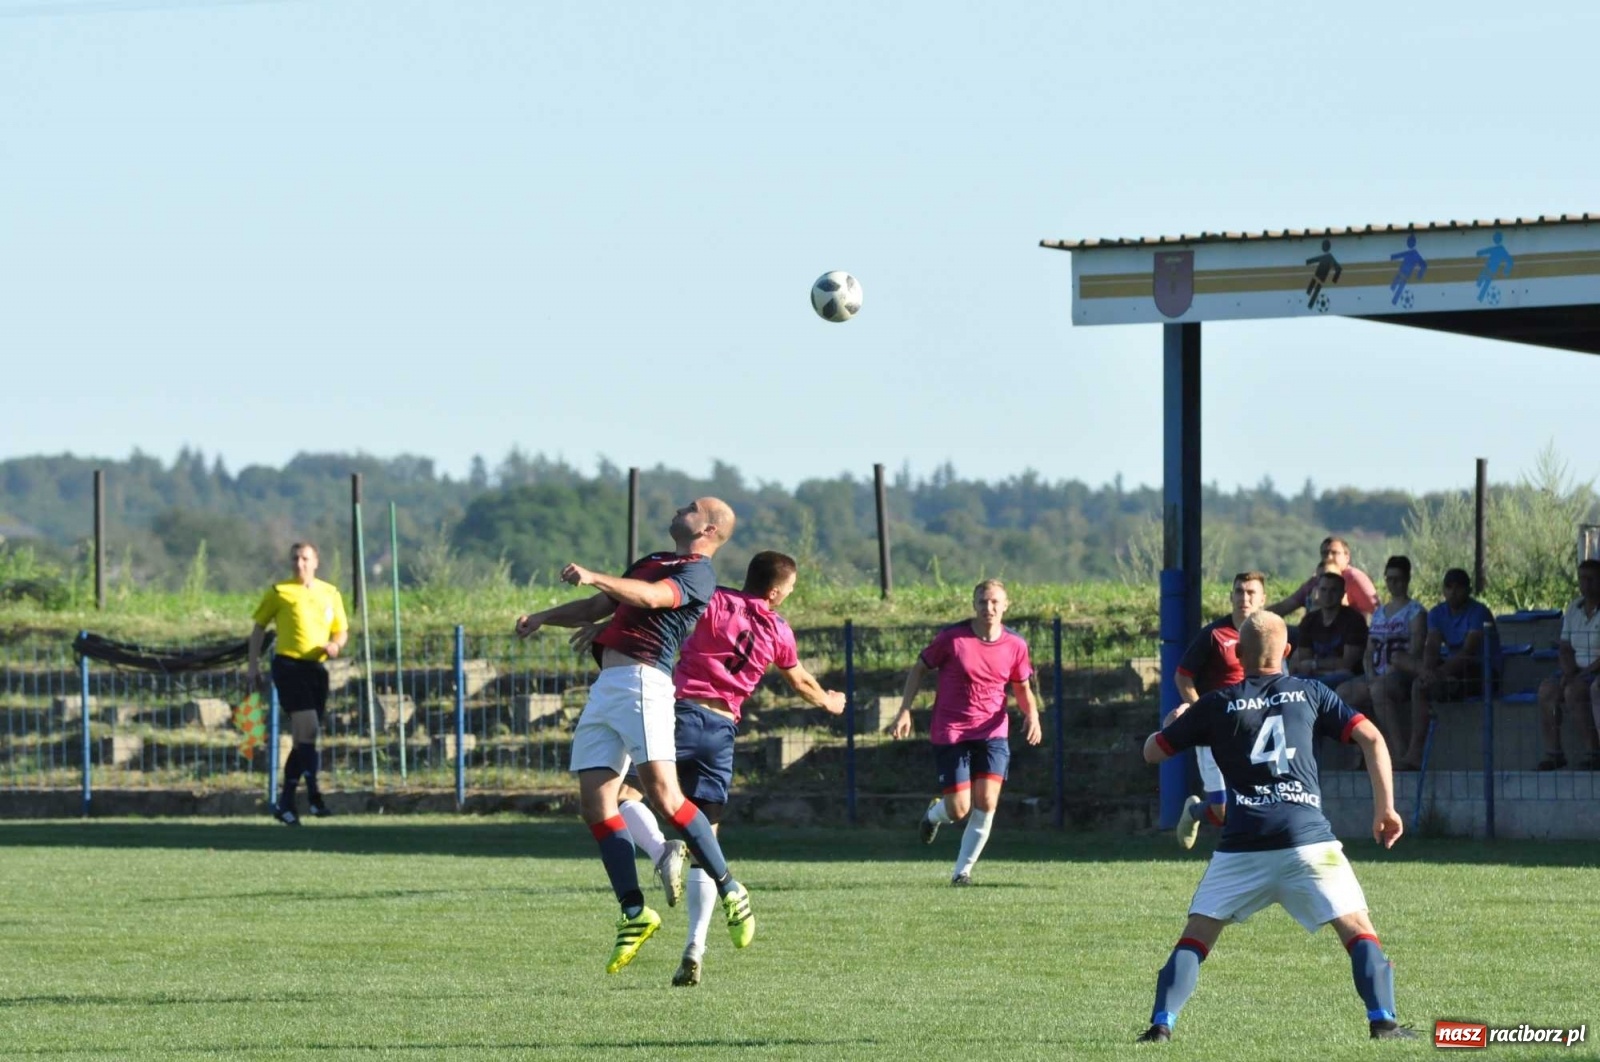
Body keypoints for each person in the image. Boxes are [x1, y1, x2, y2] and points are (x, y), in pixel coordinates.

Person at [1136, 612, 1414, 1043]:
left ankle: (1160, 1026)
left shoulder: (1216, 703)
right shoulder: (1311, 692)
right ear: (1287, 653)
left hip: (1243, 846)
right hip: (1308, 842)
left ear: (1239, 654)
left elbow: (1153, 754)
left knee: (1196, 936)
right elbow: (1373, 738)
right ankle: (1384, 1022)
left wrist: (1173, 724)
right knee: (1357, 929)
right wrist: (1386, 809)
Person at [513, 497, 755, 975]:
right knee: (595, 804)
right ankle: (633, 912)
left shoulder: (698, 574)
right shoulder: (651, 560)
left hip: (646, 683)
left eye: (690, 507)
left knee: (666, 796)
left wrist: (596, 574)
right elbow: (599, 605)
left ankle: (730, 887)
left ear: (707, 529)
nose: (678, 508)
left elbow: (649, 598)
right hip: (609, 686)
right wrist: (544, 617)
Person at [595, 551, 846, 988]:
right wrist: (829, 700)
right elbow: (800, 680)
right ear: (774, 592)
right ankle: (695, 947)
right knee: (705, 837)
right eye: (790, 588)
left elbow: (661, 613)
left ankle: (658, 851)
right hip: (722, 733)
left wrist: (606, 631)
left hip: (682, 717)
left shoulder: (715, 599)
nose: (790, 595)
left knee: (622, 797)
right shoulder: (779, 628)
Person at [890, 580, 1041, 886]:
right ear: (974, 605)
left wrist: (1032, 715)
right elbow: (919, 669)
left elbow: (1022, 687)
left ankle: (962, 872)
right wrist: (904, 710)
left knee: (987, 801)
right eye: (983, 602)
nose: (990, 608)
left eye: (996, 602)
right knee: (959, 809)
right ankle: (934, 815)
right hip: (952, 730)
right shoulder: (952, 639)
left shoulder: (1016, 644)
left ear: (1006, 605)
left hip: (992, 731)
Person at [248, 542, 348, 827]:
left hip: (316, 668)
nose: (299, 563)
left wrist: (335, 645)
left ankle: (287, 803)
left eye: (305, 558)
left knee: (305, 739)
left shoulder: (330, 593)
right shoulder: (280, 592)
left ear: (316, 561)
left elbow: (341, 630)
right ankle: (314, 794)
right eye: (295, 559)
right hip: (288, 665)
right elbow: (258, 628)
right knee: (308, 727)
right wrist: (252, 666)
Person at [1171, 571, 1268, 849]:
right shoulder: (1214, 635)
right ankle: (1194, 812)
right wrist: (1201, 711)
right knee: (1223, 810)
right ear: (1231, 596)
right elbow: (1182, 677)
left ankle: (1251, 854)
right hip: (1216, 731)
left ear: (1262, 599)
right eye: (1239, 591)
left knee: (1254, 801)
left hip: (1254, 730)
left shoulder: (1267, 635)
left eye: (1251, 593)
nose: (1244, 598)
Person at [1398, 568, 1496, 771]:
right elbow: (1432, 646)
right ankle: (1436, 684)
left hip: (1480, 671)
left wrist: (1438, 674)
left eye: (1459, 588)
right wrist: (1429, 670)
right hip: (1448, 670)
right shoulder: (1436, 613)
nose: (1453, 592)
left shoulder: (1479, 612)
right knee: (1399, 660)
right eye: (1448, 587)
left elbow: (1468, 651)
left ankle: (1415, 752)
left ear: (1468, 590)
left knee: (1419, 686)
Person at [1342, 556, 1427, 756]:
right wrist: (1370, 674)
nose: (1393, 584)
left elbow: (1414, 651)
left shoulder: (1416, 612)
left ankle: (1396, 752)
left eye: (1397, 579)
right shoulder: (1379, 613)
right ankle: (1363, 752)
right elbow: (1369, 651)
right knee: (1344, 692)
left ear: (1407, 579)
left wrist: (1385, 675)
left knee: (1379, 691)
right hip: (1376, 674)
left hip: (1400, 675)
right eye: (1389, 579)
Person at [1536, 559, 1600, 770]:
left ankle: (1593, 751)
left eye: (1591, 579)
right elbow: (1564, 646)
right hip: (1574, 669)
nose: (1586, 584)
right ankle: (1554, 753)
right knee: (1547, 690)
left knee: (1574, 691)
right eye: (1582, 578)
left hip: (1594, 670)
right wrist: (1568, 670)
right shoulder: (1574, 608)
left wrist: (1581, 675)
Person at [1290, 567, 1368, 691]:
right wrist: (1324, 666)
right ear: (1317, 592)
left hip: (1345, 678)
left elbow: (1348, 664)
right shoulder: (1309, 620)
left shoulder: (1354, 620)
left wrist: (1315, 664)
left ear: (1342, 593)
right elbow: (1304, 660)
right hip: (1315, 675)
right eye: (1323, 590)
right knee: (1293, 683)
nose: (1327, 595)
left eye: (1333, 590)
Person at [1268, 536, 1379, 618]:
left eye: (1334, 553)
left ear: (1347, 557)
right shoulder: (1315, 580)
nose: (1329, 556)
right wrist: (1258, 616)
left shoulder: (1354, 577)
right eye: (1325, 553)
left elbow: (1376, 610)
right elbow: (1286, 606)